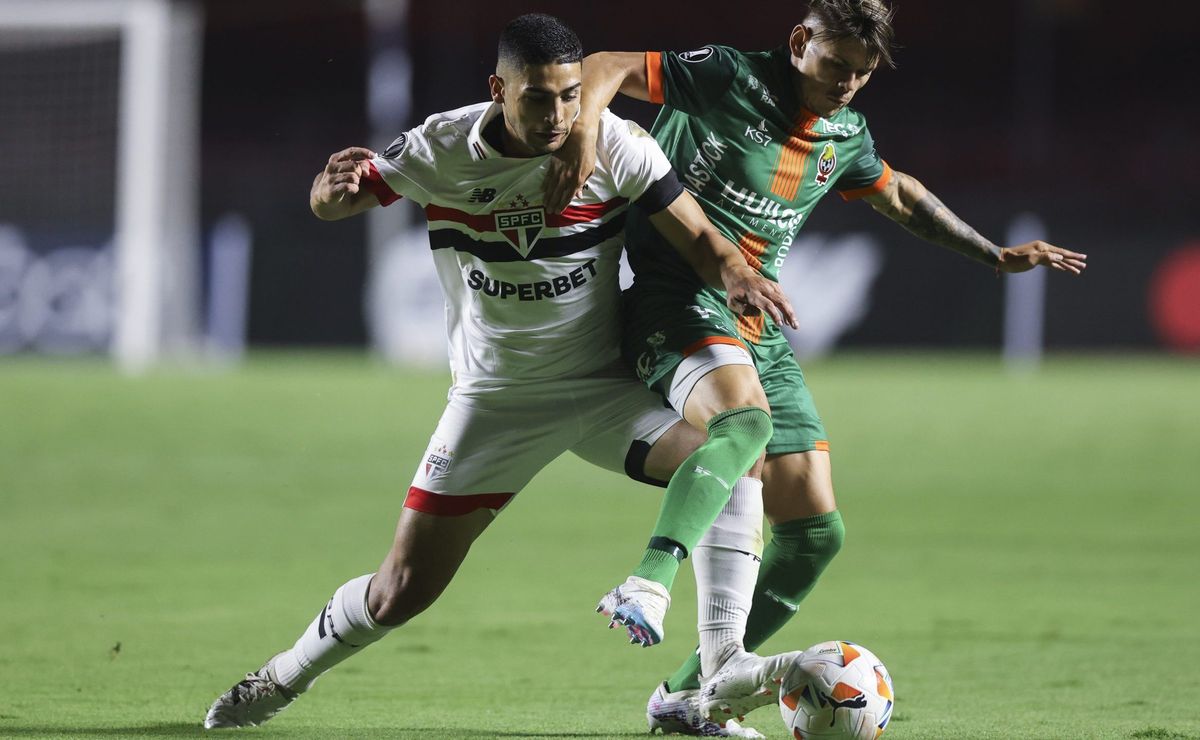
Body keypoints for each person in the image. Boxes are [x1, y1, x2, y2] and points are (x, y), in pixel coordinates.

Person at [202, 13, 799, 730]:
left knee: (730, 463)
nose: (558, 115)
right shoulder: (440, 147)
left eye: (570, 95)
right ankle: (276, 681)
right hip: (497, 402)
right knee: (401, 591)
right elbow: (342, 198)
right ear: (498, 89)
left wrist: (735, 274)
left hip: (607, 386)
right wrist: (328, 193)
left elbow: (700, 235)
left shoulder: (613, 144)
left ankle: (709, 680)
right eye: (539, 98)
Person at [543, 0, 1088, 735]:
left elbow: (896, 193)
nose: (846, 85)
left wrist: (992, 254)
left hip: (755, 320)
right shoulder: (727, 75)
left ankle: (684, 697)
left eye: (860, 75)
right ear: (801, 42)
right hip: (673, 296)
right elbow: (602, 68)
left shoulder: (844, 133)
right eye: (835, 65)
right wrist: (581, 139)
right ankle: (650, 580)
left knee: (814, 535)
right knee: (744, 430)